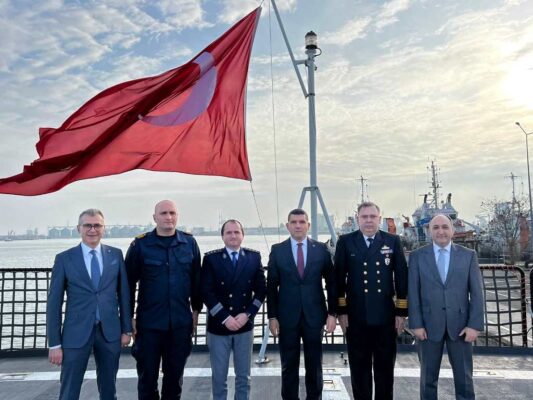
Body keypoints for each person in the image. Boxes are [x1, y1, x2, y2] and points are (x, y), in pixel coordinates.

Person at [47, 209, 132, 400]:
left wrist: (126, 329)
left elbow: (124, 294)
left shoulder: (115, 255)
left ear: (104, 228)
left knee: (109, 389)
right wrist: (54, 343)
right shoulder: (64, 259)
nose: (92, 230)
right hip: (75, 334)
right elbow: (54, 304)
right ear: (78, 228)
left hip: (109, 333)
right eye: (87, 225)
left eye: (97, 225)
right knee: (69, 390)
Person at [126, 200, 202, 400]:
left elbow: (196, 282)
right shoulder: (140, 245)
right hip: (148, 325)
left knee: (174, 381)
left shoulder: (189, 243)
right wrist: (128, 317)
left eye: (172, 213)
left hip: (179, 324)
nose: (169, 217)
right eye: (163, 213)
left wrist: (196, 311)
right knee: (147, 380)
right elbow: (128, 285)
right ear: (155, 217)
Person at [335, 201, 408, 400]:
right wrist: (341, 311)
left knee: (385, 370)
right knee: (359, 370)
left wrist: (401, 312)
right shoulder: (346, 241)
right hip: (356, 316)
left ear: (379, 219)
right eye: (364, 217)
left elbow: (401, 277)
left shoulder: (392, 241)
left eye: (372, 217)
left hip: (385, 317)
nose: (368, 220)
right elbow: (338, 279)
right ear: (357, 219)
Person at [408, 214, 484, 400]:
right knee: (428, 378)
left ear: (452, 230)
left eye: (444, 227)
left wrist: (474, 326)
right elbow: (413, 292)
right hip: (428, 326)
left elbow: (477, 293)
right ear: (429, 231)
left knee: (464, 379)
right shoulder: (417, 257)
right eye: (435, 228)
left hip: (461, 326)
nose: (440, 231)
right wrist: (416, 324)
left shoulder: (468, 256)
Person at [267, 208, 337, 400]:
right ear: (287, 226)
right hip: (287, 317)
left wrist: (332, 313)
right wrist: (272, 317)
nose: (298, 225)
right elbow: (271, 286)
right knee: (288, 365)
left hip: (314, 316)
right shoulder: (278, 250)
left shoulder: (321, 250)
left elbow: (331, 282)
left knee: (314, 365)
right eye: (294, 222)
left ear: (308, 225)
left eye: (301, 222)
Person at [201, 219, 266, 400]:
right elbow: (206, 292)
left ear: (243, 235)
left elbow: (261, 290)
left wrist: (247, 315)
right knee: (219, 377)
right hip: (219, 326)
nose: (233, 236)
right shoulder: (211, 259)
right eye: (228, 232)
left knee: (244, 377)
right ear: (222, 236)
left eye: (237, 232)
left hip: (244, 325)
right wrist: (225, 317)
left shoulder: (253, 258)